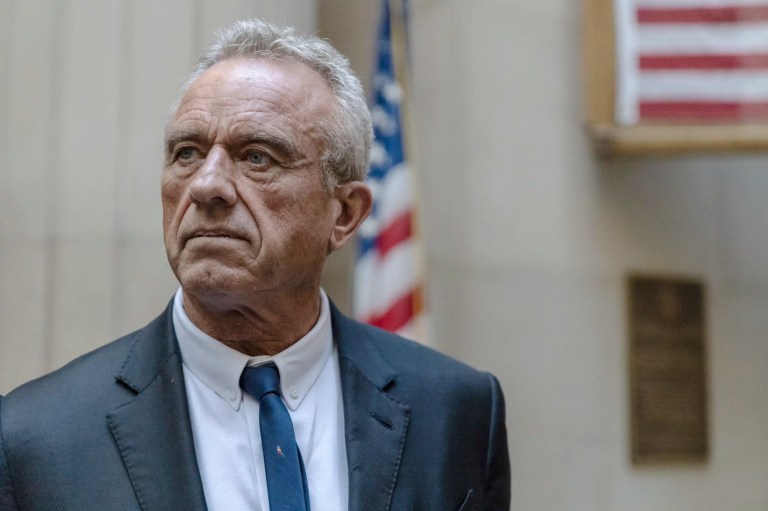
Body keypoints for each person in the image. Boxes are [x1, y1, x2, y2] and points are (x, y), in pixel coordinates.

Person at [0, 18, 510, 511]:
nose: (206, 186)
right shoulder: (34, 439)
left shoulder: (457, 412)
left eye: (257, 157)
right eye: (187, 153)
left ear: (344, 214)